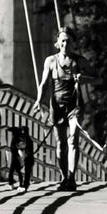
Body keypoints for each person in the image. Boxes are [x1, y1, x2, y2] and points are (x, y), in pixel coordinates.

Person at [37, 26, 82, 191]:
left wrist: (83, 78)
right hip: (56, 106)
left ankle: (71, 178)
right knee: (60, 143)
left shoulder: (79, 61)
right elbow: (43, 83)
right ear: (57, 43)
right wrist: (38, 101)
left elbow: (97, 79)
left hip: (74, 106)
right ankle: (64, 177)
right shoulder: (50, 61)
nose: (65, 44)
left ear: (73, 44)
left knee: (73, 141)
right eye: (62, 41)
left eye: (68, 41)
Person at [7, 123, 34, 192]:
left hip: (27, 156)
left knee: (28, 169)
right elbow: (12, 148)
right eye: (21, 135)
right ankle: (11, 182)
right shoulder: (14, 140)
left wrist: (27, 153)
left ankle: (25, 185)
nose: (23, 137)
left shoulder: (29, 141)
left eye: (24, 135)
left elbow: (31, 151)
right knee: (13, 167)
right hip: (16, 155)